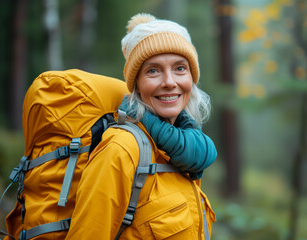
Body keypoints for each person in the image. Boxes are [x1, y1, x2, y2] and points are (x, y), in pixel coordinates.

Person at [66, 13, 216, 239]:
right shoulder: (120, 149)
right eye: (153, 70)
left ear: (191, 78)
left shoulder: (182, 151)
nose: (169, 82)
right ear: (135, 84)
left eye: (180, 68)